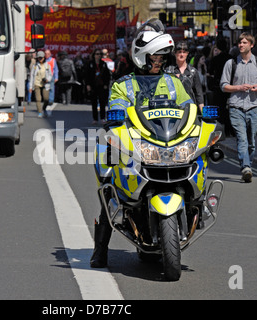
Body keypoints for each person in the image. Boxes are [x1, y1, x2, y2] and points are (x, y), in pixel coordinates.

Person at [90, 19, 194, 269]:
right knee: (108, 183)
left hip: (166, 144)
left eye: (161, 58)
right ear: (141, 57)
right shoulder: (123, 85)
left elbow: (189, 107)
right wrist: (116, 118)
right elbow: (115, 110)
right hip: (134, 145)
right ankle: (100, 249)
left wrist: (199, 122)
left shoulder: (173, 83)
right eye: (154, 58)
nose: (158, 62)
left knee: (197, 160)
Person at [220, 32, 257, 183]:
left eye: (244, 43)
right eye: (239, 43)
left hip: (254, 106)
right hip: (236, 106)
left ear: (251, 45)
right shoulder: (231, 64)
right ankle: (246, 168)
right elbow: (223, 86)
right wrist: (238, 87)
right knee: (241, 139)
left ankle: (247, 163)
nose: (241, 45)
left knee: (251, 143)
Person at [165, 41, 204, 110]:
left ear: (187, 53)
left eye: (184, 52)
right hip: (173, 109)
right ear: (175, 53)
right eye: (179, 52)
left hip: (190, 109)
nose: (182, 54)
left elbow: (199, 94)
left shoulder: (193, 72)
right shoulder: (169, 71)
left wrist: (203, 114)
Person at [208, 38, 233, 136]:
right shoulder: (231, 58)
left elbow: (210, 72)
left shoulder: (215, 59)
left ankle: (221, 129)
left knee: (220, 108)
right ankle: (229, 129)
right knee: (230, 108)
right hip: (231, 86)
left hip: (219, 87)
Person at [84, 48, 111, 125]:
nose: (98, 56)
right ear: (94, 55)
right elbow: (87, 75)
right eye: (97, 54)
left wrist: (106, 84)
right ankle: (95, 119)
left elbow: (107, 75)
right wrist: (88, 85)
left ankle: (102, 118)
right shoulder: (90, 64)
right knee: (94, 103)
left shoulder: (103, 64)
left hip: (101, 86)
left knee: (102, 102)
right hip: (93, 85)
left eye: (99, 54)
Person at [29, 51, 52, 118]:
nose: (40, 59)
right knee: (38, 99)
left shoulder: (47, 65)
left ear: (44, 58)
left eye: (41, 58)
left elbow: (50, 75)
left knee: (46, 99)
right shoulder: (35, 66)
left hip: (45, 84)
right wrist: (30, 87)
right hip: (37, 83)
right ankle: (40, 112)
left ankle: (44, 109)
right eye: (39, 58)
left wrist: (48, 79)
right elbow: (32, 76)